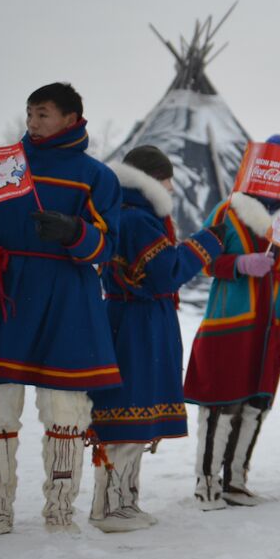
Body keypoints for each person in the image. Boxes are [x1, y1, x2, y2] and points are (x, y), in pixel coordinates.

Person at [0, 82, 122, 536]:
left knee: (66, 406)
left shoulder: (97, 176)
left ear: (71, 118)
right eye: (29, 113)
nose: (32, 122)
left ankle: (59, 511)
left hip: (68, 300)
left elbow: (107, 248)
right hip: (2, 295)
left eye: (42, 114)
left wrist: (72, 232)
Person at [88, 145, 224, 532]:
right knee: (128, 414)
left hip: (132, 318)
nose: (172, 188)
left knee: (132, 415)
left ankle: (122, 502)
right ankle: (111, 508)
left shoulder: (125, 214)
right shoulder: (138, 220)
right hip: (138, 323)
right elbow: (166, 272)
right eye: (167, 180)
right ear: (151, 180)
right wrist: (205, 244)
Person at [184, 135, 280, 510]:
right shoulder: (227, 212)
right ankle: (206, 483)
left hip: (273, 327)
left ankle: (236, 481)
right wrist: (239, 264)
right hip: (230, 324)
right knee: (221, 403)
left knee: (257, 403)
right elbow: (203, 258)